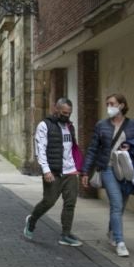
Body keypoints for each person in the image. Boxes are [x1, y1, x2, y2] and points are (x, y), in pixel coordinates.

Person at [81, 93, 134, 257]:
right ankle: (120, 242)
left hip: (126, 169)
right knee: (116, 203)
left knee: (121, 205)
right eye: (107, 104)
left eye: (112, 103)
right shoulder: (101, 125)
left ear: (121, 105)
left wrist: (131, 148)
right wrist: (85, 171)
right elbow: (93, 149)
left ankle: (111, 231)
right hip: (107, 168)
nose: (109, 107)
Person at [24, 98, 82, 246]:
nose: (66, 116)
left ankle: (66, 234)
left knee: (70, 203)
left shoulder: (70, 126)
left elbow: (71, 148)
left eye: (69, 113)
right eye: (63, 113)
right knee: (48, 202)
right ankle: (32, 220)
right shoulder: (45, 125)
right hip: (53, 172)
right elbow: (40, 149)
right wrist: (46, 170)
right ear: (55, 109)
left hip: (70, 171)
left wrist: (77, 167)